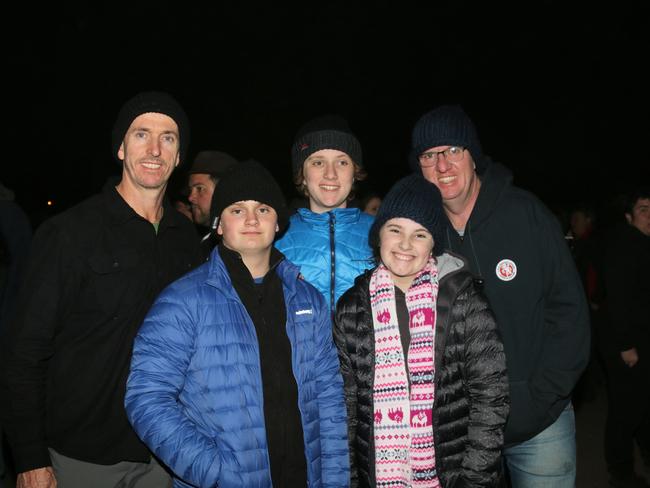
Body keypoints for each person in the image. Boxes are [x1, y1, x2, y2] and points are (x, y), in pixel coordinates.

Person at [0, 91, 202, 488]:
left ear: (179, 157)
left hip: (166, 452)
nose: (155, 149)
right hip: (80, 457)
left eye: (169, 138)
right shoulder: (69, 233)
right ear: (121, 148)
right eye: (142, 134)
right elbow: (23, 351)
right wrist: (29, 457)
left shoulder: (187, 243)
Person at [125, 160, 350, 488]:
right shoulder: (183, 301)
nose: (250, 219)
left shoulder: (307, 300)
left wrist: (335, 480)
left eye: (262, 209)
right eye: (236, 209)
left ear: (277, 224)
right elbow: (146, 396)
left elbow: (328, 398)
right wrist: (211, 470)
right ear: (218, 224)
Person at [410, 105, 590, 487]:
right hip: (460, 431)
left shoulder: (526, 214)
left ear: (474, 156)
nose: (443, 166)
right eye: (429, 156)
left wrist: (541, 396)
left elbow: (569, 311)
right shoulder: (418, 234)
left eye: (453, 151)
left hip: (539, 423)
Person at [334, 174, 509, 487]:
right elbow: (346, 407)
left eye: (420, 234)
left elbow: (490, 398)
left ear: (433, 244)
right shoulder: (351, 308)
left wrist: (474, 479)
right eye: (395, 230)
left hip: (453, 475)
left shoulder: (464, 301)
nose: (404, 244)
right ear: (379, 236)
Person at [276, 115, 374, 314]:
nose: (331, 174)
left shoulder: (381, 232)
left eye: (342, 163)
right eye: (318, 163)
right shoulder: (277, 236)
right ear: (302, 176)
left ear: (354, 173)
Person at [601, 187, 650, 488]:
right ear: (629, 216)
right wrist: (626, 346)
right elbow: (617, 300)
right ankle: (620, 471)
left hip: (642, 341)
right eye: (644, 209)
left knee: (642, 403)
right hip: (628, 345)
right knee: (625, 409)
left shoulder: (643, 244)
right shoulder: (625, 246)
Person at [186, 150, 239, 258]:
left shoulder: (246, 243)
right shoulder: (205, 245)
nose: (190, 198)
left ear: (223, 191)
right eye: (190, 190)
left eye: (199, 188)